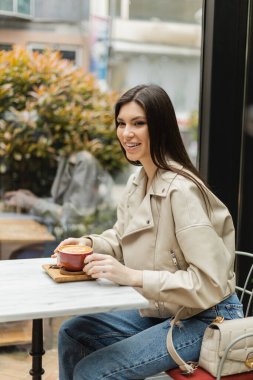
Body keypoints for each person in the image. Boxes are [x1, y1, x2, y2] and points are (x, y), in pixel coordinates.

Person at [54, 84, 243, 380]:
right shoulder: (138, 181)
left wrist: (131, 277)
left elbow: (209, 282)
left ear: (160, 126)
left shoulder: (182, 192)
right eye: (121, 123)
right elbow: (121, 238)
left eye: (138, 123)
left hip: (207, 317)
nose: (126, 133)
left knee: (93, 371)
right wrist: (89, 244)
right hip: (168, 310)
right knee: (74, 332)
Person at [3, 150, 113, 235]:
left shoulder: (84, 160)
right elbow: (61, 204)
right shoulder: (66, 156)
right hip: (66, 236)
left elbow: (74, 216)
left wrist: (34, 202)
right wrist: (33, 200)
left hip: (81, 240)